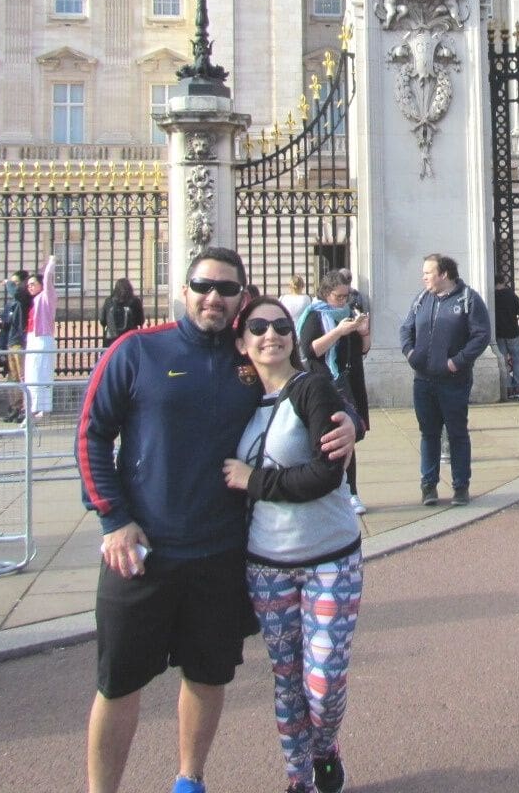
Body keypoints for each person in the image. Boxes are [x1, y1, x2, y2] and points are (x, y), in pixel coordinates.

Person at [76, 246, 358, 793]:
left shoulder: (247, 364)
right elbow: (91, 434)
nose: (214, 297)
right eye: (203, 286)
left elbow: (304, 391)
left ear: (241, 297)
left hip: (221, 552)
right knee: (118, 684)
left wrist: (350, 422)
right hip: (144, 550)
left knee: (206, 676)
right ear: (184, 290)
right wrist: (112, 518)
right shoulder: (137, 350)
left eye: (227, 289)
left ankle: (189, 779)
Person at [225, 294, 363, 793]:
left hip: (330, 557)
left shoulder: (313, 387)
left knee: (322, 685)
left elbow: (327, 474)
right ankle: (298, 779)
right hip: (268, 564)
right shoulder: (234, 401)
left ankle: (324, 748)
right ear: (241, 343)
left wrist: (253, 480)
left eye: (280, 325)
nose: (271, 334)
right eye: (258, 327)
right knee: (286, 681)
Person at [398, 253, 492, 507]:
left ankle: (461, 486)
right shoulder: (421, 299)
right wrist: (410, 353)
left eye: (428, 272)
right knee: (428, 433)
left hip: (453, 381)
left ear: (444, 274)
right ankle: (428, 485)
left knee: (456, 432)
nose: (424, 277)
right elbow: (406, 329)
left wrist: (457, 361)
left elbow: (481, 336)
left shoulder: (468, 299)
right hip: (423, 379)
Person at [296, 270, 371, 515]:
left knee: (348, 437)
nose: (344, 301)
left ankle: (351, 491)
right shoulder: (315, 316)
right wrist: (339, 331)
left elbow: (363, 350)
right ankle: (330, 488)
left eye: (346, 296)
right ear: (327, 294)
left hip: (346, 383)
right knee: (327, 438)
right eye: (339, 297)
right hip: (323, 383)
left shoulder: (349, 314)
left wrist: (363, 332)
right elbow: (310, 350)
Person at [24, 257, 58, 422]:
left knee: (42, 373)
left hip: (43, 339)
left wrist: (50, 264)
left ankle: (43, 408)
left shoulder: (47, 296)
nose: (29, 287)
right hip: (33, 338)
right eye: (28, 284)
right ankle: (33, 406)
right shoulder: (35, 300)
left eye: (32, 284)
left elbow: (48, 279)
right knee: (32, 374)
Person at [0, 270, 33, 422]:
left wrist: (8, 283)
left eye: (17, 283)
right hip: (11, 341)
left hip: (21, 341)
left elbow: (17, 293)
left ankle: (24, 408)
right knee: (12, 377)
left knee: (22, 376)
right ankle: (15, 407)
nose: (14, 286)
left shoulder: (26, 297)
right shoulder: (13, 303)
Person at [492, 275, 519, 401]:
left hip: (499, 333)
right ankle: (518, 387)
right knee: (517, 359)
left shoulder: (492, 296)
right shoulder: (512, 295)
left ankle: (508, 387)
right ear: (504, 282)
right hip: (513, 331)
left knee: (504, 361)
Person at [100, 278, 146, 348]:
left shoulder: (109, 301)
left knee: (113, 357)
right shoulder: (135, 301)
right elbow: (141, 321)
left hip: (112, 339)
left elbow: (102, 321)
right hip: (130, 338)